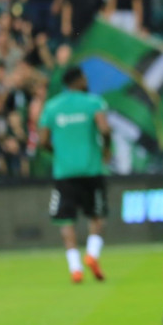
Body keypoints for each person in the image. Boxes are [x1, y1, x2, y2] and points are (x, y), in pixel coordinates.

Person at [38, 67, 110, 284]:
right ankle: (92, 254)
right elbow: (104, 129)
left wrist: (58, 153)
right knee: (97, 216)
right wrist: (106, 148)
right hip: (91, 170)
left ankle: (75, 268)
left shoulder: (52, 106)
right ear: (78, 81)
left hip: (64, 172)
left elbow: (42, 140)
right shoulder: (93, 102)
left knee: (66, 219)